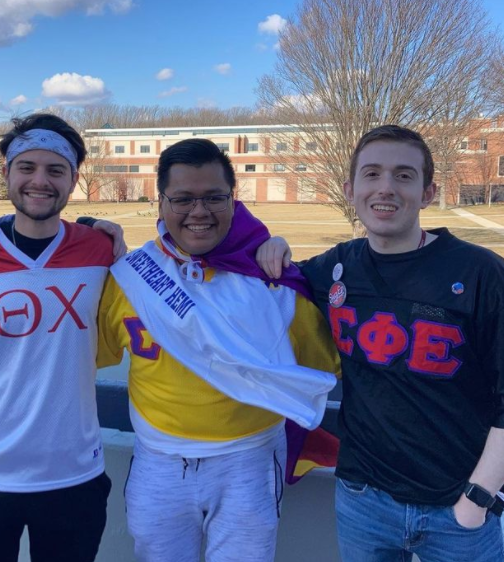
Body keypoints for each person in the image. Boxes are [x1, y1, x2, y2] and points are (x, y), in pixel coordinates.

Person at [295, 125, 504, 561]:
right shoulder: (335, 268)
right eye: (372, 174)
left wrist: (476, 501)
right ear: (350, 189)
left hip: (457, 509)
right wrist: (268, 245)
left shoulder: (481, 273)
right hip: (363, 499)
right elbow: (258, 282)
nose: (386, 187)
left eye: (404, 175)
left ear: (427, 192)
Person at [96, 138, 340, 562]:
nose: (199, 212)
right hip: (159, 461)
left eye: (213, 198)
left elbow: (320, 369)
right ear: (161, 202)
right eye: (183, 199)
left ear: (233, 199)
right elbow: (85, 354)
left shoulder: (274, 281)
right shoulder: (129, 277)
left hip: (249, 460)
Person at [0, 113, 117, 562]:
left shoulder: (100, 249)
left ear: (74, 180)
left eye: (55, 170)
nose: (40, 181)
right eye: (27, 167)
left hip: (74, 474)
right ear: (7, 174)